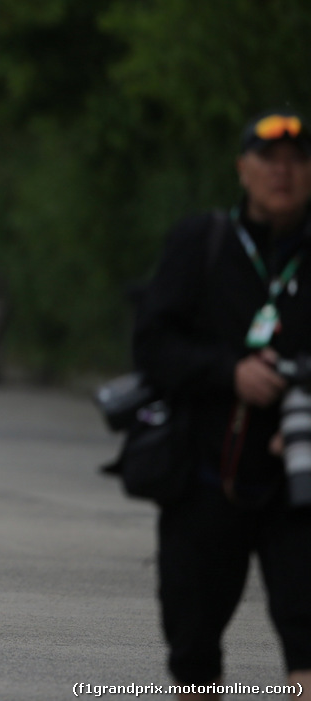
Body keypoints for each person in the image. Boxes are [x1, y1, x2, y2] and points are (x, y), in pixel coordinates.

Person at [133, 110, 311, 694]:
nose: (282, 174)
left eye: (296, 162)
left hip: (301, 480)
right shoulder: (202, 242)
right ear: (243, 169)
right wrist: (229, 373)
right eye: (268, 161)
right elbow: (153, 344)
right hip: (207, 476)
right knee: (193, 646)